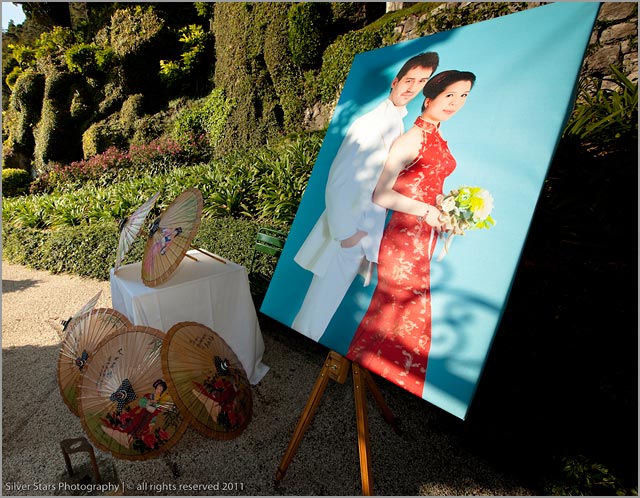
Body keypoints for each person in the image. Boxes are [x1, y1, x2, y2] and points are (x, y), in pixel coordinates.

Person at [346, 70, 477, 397]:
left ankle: (375, 378)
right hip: (403, 240)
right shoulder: (412, 139)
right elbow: (381, 194)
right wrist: (426, 210)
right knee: (400, 310)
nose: (457, 103)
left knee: (397, 312)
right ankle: (379, 375)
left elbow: (426, 187)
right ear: (429, 97)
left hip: (423, 239)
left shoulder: (437, 138)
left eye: (464, 96)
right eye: (450, 95)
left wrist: (446, 210)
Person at [292, 52, 440, 341]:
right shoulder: (372, 122)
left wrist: (366, 245)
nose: (412, 88)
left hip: (359, 238)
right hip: (345, 237)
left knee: (318, 316)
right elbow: (339, 180)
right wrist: (348, 234)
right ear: (395, 82)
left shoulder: (396, 121)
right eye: (408, 80)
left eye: (421, 82)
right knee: (313, 318)